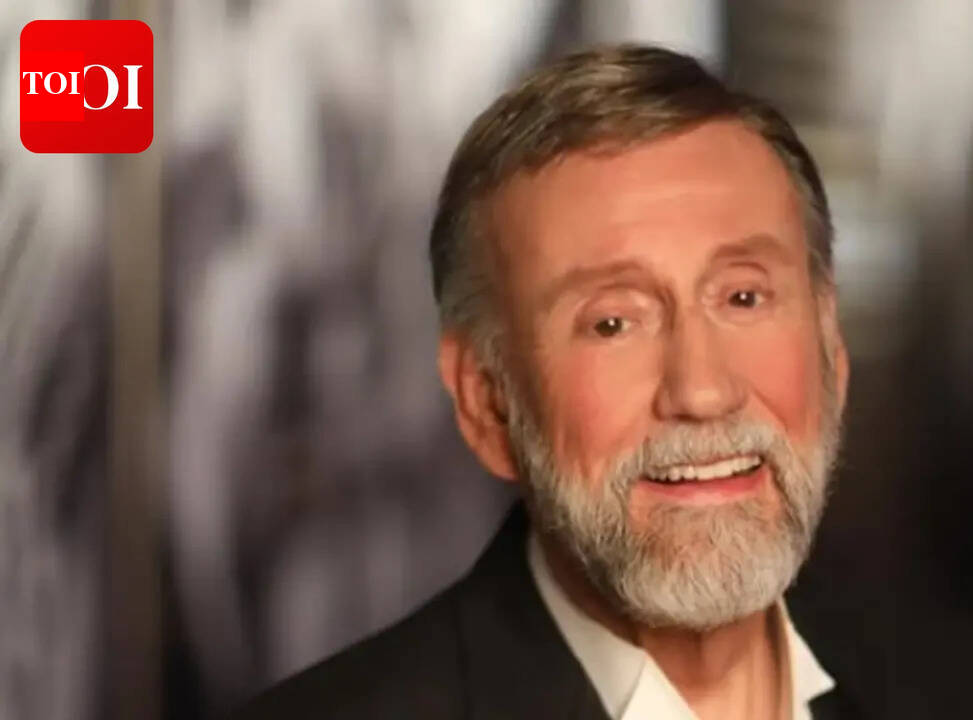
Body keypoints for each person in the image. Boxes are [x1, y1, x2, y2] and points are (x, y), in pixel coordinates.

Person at [238, 43, 855, 720]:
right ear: (487, 403)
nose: (703, 392)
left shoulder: (945, 684)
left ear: (831, 345)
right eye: (613, 323)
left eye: (743, 298)